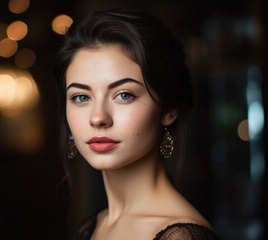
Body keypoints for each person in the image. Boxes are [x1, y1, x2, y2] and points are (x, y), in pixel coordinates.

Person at [55, 8, 220, 240]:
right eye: (81, 97)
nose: (98, 118)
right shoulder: (94, 225)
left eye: (123, 95)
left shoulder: (179, 237)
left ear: (169, 109)